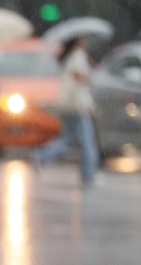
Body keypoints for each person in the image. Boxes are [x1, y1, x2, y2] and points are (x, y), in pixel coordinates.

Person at [32, 36, 100, 186]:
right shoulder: (78, 55)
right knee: (87, 141)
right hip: (78, 106)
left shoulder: (69, 55)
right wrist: (91, 74)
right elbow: (78, 76)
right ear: (78, 40)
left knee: (68, 138)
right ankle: (88, 174)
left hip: (68, 105)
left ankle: (42, 156)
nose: (86, 41)